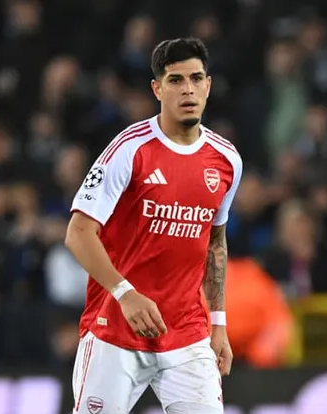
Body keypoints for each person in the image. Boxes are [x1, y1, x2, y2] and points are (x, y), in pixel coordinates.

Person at [65, 38, 243, 414]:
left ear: (208, 85)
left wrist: (218, 323)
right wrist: (125, 293)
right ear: (157, 89)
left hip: (187, 333)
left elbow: (215, 242)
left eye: (196, 78)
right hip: (116, 327)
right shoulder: (129, 149)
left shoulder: (226, 160)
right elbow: (78, 234)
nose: (188, 89)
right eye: (176, 80)